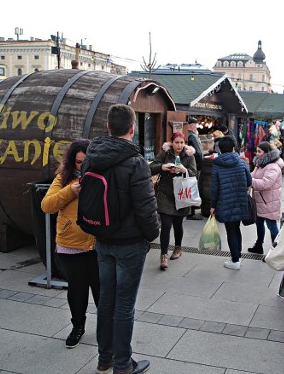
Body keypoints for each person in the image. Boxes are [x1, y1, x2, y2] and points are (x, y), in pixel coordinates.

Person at [83, 104, 160, 374]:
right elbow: (145, 206)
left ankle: (104, 358)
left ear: (108, 127)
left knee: (106, 300)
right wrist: (153, 234)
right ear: (132, 128)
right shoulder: (135, 162)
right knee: (124, 304)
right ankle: (123, 363)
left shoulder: (92, 155)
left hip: (102, 238)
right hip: (129, 243)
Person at [41, 139, 100, 349]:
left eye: (86, 162)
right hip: (70, 245)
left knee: (102, 291)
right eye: (78, 162)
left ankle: (105, 329)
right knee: (77, 290)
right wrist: (70, 191)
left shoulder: (102, 178)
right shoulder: (63, 178)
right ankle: (78, 327)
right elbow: (47, 205)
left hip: (97, 245)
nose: (81, 167)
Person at [150, 132, 197, 270]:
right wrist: (162, 167)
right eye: (177, 142)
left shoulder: (189, 156)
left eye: (182, 142)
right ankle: (163, 255)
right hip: (165, 195)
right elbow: (151, 168)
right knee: (165, 225)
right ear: (172, 143)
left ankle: (178, 248)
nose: (179, 145)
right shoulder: (165, 154)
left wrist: (184, 170)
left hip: (182, 195)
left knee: (178, 224)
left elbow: (194, 173)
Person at [210, 136, 252, 270]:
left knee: (231, 230)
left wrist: (212, 205)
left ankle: (235, 260)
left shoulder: (216, 164)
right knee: (236, 228)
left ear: (220, 150)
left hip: (225, 202)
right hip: (240, 200)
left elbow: (214, 188)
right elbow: (249, 182)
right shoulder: (241, 163)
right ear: (233, 148)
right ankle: (237, 257)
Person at [247, 142, 283, 255]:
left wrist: (249, 181)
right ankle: (259, 245)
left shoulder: (273, 166)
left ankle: (275, 251)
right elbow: (252, 175)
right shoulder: (260, 164)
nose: (257, 154)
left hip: (268, 202)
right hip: (260, 201)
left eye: (259, 151)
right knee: (259, 224)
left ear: (266, 153)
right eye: (256, 151)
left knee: (272, 226)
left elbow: (265, 184)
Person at [186, 117, 204, 220]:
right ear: (191, 125)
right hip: (195, 165)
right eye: (195, 124)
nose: (196, 126)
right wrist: (201, 164)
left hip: (192, 165)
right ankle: (191, 212)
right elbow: (199, 152)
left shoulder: (191, 135)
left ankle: (190, 211)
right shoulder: (192, 136)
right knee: (193, 188)